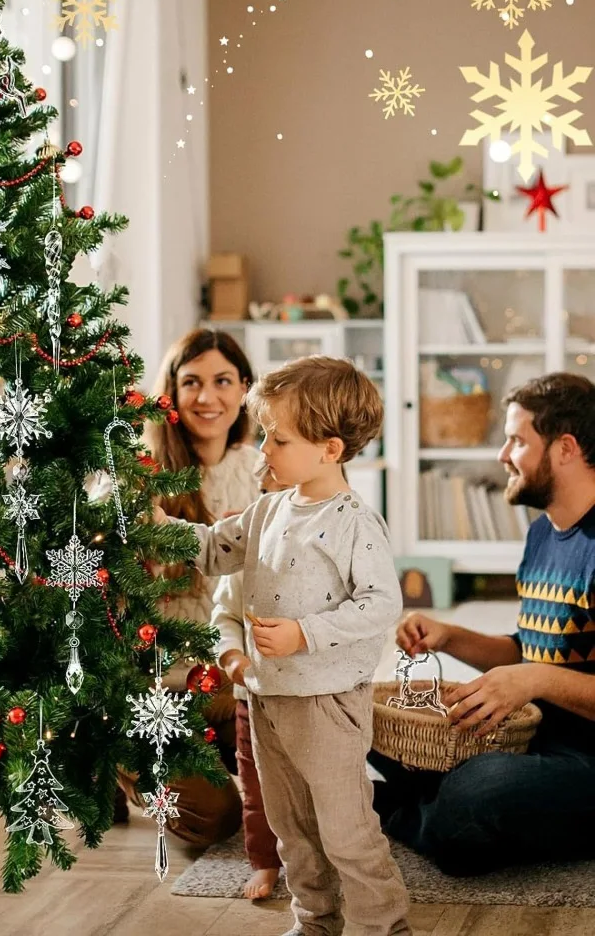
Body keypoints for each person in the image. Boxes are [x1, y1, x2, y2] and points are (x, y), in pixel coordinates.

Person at [156, 354, 411, 936]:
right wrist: (155, 523)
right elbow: (214, 550)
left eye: (280, 438)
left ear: (331, 449)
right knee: (290, 825)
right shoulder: (269, 508)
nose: (264, 449)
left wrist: (305, 633)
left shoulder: (354, 524)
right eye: (265, 434)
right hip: (267, 700)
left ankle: (383, 926)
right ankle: (316, 920)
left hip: (327, 704)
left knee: (346, 831)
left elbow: (380, 605)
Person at [372, 372, 595, 876]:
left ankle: (391, 810)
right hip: (532, 739)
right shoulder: (543, 535)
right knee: (364, 722)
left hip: (585, 761)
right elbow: (534, 648)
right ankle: (429, 802)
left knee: (476, 792)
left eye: (517, 440)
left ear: (565, 448)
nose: (502, 454)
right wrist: (451, 637)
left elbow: (538, 671)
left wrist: (535, 680)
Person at [117, 327, 281, 901]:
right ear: (172, 391)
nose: (207, 397)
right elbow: (131, 585)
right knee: (213, 818)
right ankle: (123, 756)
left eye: (222, 382)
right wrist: (220, 538)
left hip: (231, 662)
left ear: (244, 391)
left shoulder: (264, 468)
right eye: (191, 383)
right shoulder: (140, 473)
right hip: (159, 672)